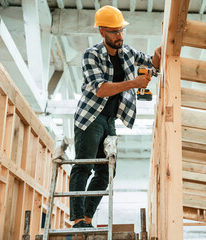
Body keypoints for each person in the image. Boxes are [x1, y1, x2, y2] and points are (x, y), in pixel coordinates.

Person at [69, 5, 161, 228]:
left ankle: (88, 218)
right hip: (91, 118)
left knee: (107, 171)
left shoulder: (127, 53)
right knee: (84, 166)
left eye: (121, 30)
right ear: (102, 32)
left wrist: (159, 54)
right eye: (114, 31)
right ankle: (78, 219)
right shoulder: (91, 55)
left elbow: (151, 62)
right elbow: (100, 89)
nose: (119, 35)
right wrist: (133, 83)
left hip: (110, 120)